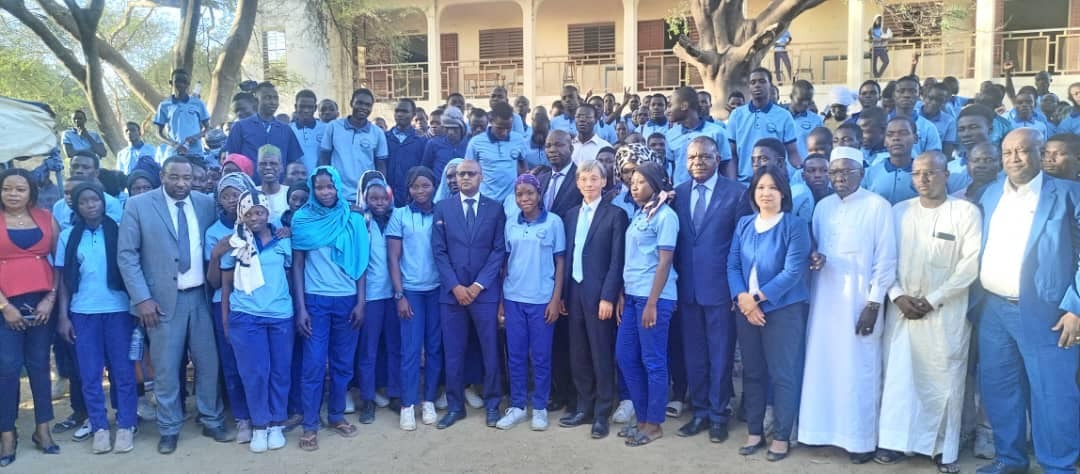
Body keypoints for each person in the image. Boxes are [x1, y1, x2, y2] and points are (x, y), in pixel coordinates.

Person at [975, 129, 1079, 474]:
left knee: (1053, 394)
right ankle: (1010, 460)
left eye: (1022, 151)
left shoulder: (1067, 194)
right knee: (1000, 389)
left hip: (1046, 312)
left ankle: (1058, 466)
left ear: (1040, 153)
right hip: (993, 309)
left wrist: (1075, 308)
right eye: (1007, 152)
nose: (1014, 159)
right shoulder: (992, 194)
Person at [874, 152, 982, 473]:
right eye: (917, 173)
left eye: (931, 173)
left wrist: (934, 299)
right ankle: (895, 442)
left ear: (947, 175)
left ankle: (939, 448)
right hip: (901, 310)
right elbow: (883, 258)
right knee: (898, 378)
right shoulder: (897, 212)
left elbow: (969, 265)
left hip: (945, 311)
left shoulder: (965, 212)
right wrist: (895, 295)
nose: (924, 179)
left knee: (943, 380)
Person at [117, 156, 231, 454]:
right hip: (161, 302)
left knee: (209, 364)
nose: (181, 183)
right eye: (174, 177)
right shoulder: (138, 205)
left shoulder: (206, 203)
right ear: (162, 176)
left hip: (202, 296)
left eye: (186, 177)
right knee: (166, 369)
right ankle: (169, 428)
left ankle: (211, 418)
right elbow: (127, 256)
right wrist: (142, 299)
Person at [798, 146, 897, 464]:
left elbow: (886, 259)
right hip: (825, 299)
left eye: (846, 172)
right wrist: (815, 257)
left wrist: (873, 303)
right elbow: (815, 246)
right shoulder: (823, 207)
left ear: (862, 173)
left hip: (859, 301)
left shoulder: (878, 206)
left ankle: (860, 441)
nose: (838, 178)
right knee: (822, 365)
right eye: (833, 173)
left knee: (859, 369)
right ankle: (818, 432)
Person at [727, 165, 811, 462]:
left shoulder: (795, 226)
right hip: (746, 310)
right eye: (761, 187)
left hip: (782, 311)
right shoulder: (744, 224)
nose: (766, 193)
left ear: (783, 193)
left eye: (772, 188)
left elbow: (793, 271)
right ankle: (754, 431)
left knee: (782, 374)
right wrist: (742, 299)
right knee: (753, 373)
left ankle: (781, 436)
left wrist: (758, 299)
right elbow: (733, 265)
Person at [672, 136, 748, 444]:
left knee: (720, 355)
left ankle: (719, 415)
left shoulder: (737, 193)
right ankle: (700, 411)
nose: (697, 162)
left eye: (704, 157)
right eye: (691, 158)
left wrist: (737, 290)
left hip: (721, 291)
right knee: (695, 355)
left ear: (718, 159)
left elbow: (742, 246)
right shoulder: (676, 194)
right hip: (687, 290)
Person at [54, 182, 137, 455]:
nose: (90, 205)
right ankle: (100, 427)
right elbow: (64, 281)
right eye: (83, 201)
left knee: (122, 371)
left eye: (95, 200)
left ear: (103, 202)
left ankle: (126, 424)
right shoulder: (68, 236)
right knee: (89, 374)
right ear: (75, 206)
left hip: (118, 310)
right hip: (83, 312)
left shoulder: (118, 229)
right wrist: (64, 316)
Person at [290, 166, 368, 451]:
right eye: (320, 187)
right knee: (312, 364)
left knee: (342, 363)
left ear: (337, 187)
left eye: (329, 187)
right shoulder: (302, 218)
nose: (325, 192)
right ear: (313, 189)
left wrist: (361, 301)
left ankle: (335, 415)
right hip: (315, 301)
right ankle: (310, 425)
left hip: (347, 300)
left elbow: (361, 264)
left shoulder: (353, 219)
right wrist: (301, 308)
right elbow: (297, 266)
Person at [430, 159, 507, 429]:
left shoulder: (495, 208)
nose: (465, 178)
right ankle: (454, 406)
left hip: (483, 294)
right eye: (461, 174)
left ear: (481, 177)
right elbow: (438, 252)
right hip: (452, 295)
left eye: (471, 174)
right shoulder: (443, 207)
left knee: (490, 351)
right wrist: (456, 286)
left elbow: (499, 250)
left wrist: (477, 286)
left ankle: (493, 404)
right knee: (453, 352)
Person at [220, 190, 294, 453]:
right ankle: (260, 426)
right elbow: (225, 286)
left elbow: (291, 277)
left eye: (260, 212)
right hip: (246, 316)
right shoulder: (235, 243)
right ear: (242, 215)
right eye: (249, 213)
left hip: (279, 315)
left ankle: (276, 423)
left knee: (279, 372)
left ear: (267, 212)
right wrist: (226, 321)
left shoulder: (283, 240)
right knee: (255, 374)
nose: (255, 217)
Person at [559, 159, 628, 439]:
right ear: (577, 183)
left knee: (600, 350)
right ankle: (584, 405)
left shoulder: (615, 214)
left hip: (599, 294)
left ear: (604, 181)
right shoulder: (571, 214)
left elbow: (616, 260)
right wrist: (563, 294)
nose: (589, 183)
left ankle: (602, 411)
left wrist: (608, 296)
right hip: (574, 291)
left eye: (594, 179)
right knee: (578, 351)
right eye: (584, 179)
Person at [495, 174, 566, 431]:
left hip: (541, 299)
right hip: (514, 297)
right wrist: (502, 302)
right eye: (519, 194)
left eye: (529, 193)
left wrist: (556, 299)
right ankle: (517, 406)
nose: (524, 198)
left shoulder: (554, 223)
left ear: (539, 195)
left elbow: (560, 263)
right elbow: (505, 264)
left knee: (541, 356)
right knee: (514, 355)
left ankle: (539, 407)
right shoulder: (511, 224)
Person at [0, 169, 60, 466]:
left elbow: (59, 263)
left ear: (30, 193)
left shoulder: (47, 218)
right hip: (5, 305)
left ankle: (43, 429)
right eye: (7, 189)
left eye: (19, 189)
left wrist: (50, 298)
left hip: (41, 303)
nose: (12, 194)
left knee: (39, 365)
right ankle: (7, 433)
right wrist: (5, 306)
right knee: (8, 367)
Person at [616, 160, 678, 448]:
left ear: (655, 183)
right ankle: (641, 418)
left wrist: (652, 302)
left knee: (653, 361)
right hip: (632, 296)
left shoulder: (665, 216)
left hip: (655, 297)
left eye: (641, 182)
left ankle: (653, 423)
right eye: (632, 181)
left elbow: (665, 261)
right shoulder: (641, 214)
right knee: (626, 356)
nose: (634, 186)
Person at [386, 166, 442, 430]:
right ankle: (408, 404)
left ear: (434, 186)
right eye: (415, 186)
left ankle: (428, 400)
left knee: (433, 347)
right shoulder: (399, 216)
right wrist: (399, 295)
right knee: (410, 349)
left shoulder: (442, 212)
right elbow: (393, 258)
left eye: (426, 186)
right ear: (408, 189)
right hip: (411, 291)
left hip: (438, 290)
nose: (420, 191)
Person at [203, 172, 257, 443]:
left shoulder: (257, 223)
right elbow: (212, 282)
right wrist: (216, 254)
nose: (232, 199)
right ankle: (242, 418)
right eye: (226, 195)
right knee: (232, 363)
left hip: (254, 303)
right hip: (222, 305)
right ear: (219, 200)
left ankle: (261, 413)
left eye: (237, 193)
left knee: (256, 363)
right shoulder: (214, 232)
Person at [354, 171, 400, 425]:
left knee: (395, 345)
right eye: (374, 198)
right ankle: (368, 399)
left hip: (394, 294)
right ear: (366, 198)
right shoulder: (361, 222)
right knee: (368, 350)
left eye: (383, 198)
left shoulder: (398, 218)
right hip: (370, 295)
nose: (380, 202)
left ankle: (394, 393)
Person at [728, 68, 801, 182]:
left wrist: (799, 173)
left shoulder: (784, 116)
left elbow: (792, 152)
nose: (757, 85)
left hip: (774, 181)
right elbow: (731, 154)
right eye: (753, 82)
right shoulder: (737, 115)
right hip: (745, 182)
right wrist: (732, 183)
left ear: (770, 86)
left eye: (762, 81)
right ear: (749, 87)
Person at [225, 82, 303, 183]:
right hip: (249, 187)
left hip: (279, 189)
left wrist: (286, 184)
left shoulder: (286, 129)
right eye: (267, 98)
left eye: (275, 98)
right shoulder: (240, 127)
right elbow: (233, 160)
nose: (273, 102)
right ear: (256, 101)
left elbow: (293, 162)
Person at [319, 88, 389, 199]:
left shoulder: (377, 133)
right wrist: (325, 187)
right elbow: (324, 159)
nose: (363, 108)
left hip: (365, 194)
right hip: (337, 193)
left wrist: (379, 189)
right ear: (352, 103)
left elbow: (381, 166)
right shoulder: (333, 127)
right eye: (359, 103)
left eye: (368, 105)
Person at [666, 87, 732, 185]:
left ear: (684, 106)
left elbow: (726, 165)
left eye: (670, 105)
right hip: (681, 194)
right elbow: (672, 166)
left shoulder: (717, 132)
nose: (668, 110)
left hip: (712, 194)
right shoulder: (670, 135)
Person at [464, 102, 528, 202]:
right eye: (500, 128)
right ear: (491, 121)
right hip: (486, 200)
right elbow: (468, 172)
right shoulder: (476, 142)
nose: (504, 132)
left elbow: (523, 167)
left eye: (508, 128)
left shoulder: (518, 140)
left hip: (511, 200)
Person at [750, 138, 814, 221]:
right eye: (753, 160)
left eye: (763, 159)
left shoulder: (800, 192)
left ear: (780, 162)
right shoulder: (749, 192)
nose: (756, 164)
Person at [154, 69, 210, 157]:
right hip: (173, 154)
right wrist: (173, 144)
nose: (181, 84)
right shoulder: (164, 105)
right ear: (171, 83)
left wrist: (196, 137)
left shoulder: (198, 103)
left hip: (195, 153)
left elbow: (208, 128)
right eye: (177, 81)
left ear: (188, 84)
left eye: (184, 82)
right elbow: (158, 133)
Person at [864, 117, 920, 204]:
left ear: (915, 138)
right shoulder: (869, 173)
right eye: (890, 135)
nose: (896, 138)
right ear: (884, 141)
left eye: (903, 133)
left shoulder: (924, 174)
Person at [385, 99, 429, 207]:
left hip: (411, 198)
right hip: (386, 197)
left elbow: (424, 169)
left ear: (413, 114)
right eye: (397, 111)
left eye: (405, 111)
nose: (400, 114)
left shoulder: (421, 140)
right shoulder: (384, 138)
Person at [890, 76, 943, 157]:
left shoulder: (929, 128)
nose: (906, 95)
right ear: (893, 95)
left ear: (918, 95)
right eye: (901, 91)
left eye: (912, 91)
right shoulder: (882, 123)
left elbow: (933, 158)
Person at [421, 106, 468, 183]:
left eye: (454, 128)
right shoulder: (433, 144)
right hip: (439, 190)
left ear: (462, 127)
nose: (451, 132)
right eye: (447, 128)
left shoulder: (470, 144)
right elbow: (425, 170)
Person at [291, 89, 327, 174]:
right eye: (302, 106)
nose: (306, 110)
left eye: (310, 107)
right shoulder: (288, 130)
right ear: (296, 107)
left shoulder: (326, 129)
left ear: (315, 108)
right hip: (297, 181)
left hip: (320, 181)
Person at [917, 83, 958, 158]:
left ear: (946, 101)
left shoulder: (949, 122)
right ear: (924, 97)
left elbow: (947, 152)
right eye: (930, 98)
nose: (934, 102)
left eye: (939, 100)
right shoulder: (913, 113)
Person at [790, 81, 825, 163]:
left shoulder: (816, 120)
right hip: (782, 171)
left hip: (806, 169)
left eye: (808, 100)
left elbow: (821, 148)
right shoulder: (781, 117)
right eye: (801, 99)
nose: (805, 103)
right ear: (791, 97)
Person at [256, 145, 289, 223]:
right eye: (263, 164)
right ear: (257, 168)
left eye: (273, 163)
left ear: (281, 167)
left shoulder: (290, 193)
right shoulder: (250, 194)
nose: (268, 167)